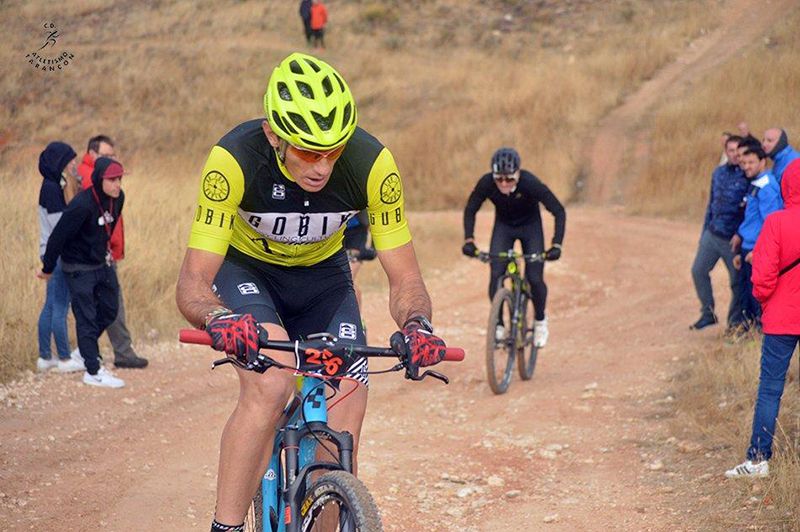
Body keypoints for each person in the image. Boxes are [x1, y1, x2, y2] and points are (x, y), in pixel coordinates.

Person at [175, 52, 448, 531]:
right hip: (248, 273)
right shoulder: (234, 159)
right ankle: (227, 525)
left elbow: (405, 277)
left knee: (347, 397)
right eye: (307, 151)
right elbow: (193, 282)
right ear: (274, 135)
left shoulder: (372, 165)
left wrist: (417, 325)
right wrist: (218, 318)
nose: (322, 167)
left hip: (324, 280)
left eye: (333, 151)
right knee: (273, 381)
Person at [725, 159, 800, 478]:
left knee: (770, 388)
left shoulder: (776, 222)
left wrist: (763, 299)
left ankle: (758, 460)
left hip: (782, 317)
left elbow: (763, 276)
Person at [461, 147, 566, 348]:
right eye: (499, 179)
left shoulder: (530, 183)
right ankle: (499, 324)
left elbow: (558, 211)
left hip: (531, 228)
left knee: (534, 278)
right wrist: (469, 240)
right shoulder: (486, 183)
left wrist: (556, 244)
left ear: (518, 174)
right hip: (504, 227)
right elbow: (470, 209)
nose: (504, 184)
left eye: (509, 179)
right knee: (496, 274)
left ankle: (540, 321)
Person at [38, 158, 127, 389]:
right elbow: (58, 236)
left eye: (119, 179)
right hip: (77, 267)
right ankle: (93, 371)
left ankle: (85, 350)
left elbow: (108, 226)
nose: (117, 184)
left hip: (101, 263)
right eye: (112, 180)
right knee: (86, 316)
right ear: (100, 179)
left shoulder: (119, 199)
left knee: (109, 309)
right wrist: (48, 268)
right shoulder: (82, 205)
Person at [77, 135, 148, 369]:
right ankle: (113, 352)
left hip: (102, 252)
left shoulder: (100, 176)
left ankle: (93, 352)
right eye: (105, 155)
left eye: (112, 155)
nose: (111, 160)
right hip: (94, 256)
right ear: (92, 154)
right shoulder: (92, 178)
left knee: (102, 305)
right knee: (109, 304)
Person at [689, 135, 749, 330]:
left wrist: (740, 235)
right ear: (726, 152)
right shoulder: (718, 173)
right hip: (713, 233)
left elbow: (750, 212)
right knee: (698, 270)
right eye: (730, 150)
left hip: (733, 239)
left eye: (737, 151)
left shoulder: (747, 175)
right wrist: (704, 232)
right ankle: (708, 312)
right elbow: (711, 204)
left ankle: (736, 325)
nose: (734, 155)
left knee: (736, 283)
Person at [36, 142, 85, 373]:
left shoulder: (52, 185)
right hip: (56, 254)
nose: (73, 164)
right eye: (70, 160)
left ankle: (45, 356)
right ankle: (64, 358)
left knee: (50, 304)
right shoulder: (52, 189)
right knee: (59, 305)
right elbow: (59, 229)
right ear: (60, 162)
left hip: (49, 252)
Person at [730, 145, 783, 330]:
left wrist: (758, 251)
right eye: (744, 162)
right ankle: (749, 330)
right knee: (746, 292)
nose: (746, 166)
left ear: (763, 162)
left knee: (756, 296)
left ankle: (759, 333)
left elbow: (771, 224)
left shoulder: (767, 186)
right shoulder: (756, 182)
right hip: (748, 246)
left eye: (751, 162)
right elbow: (752, 218)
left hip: (756, 249)